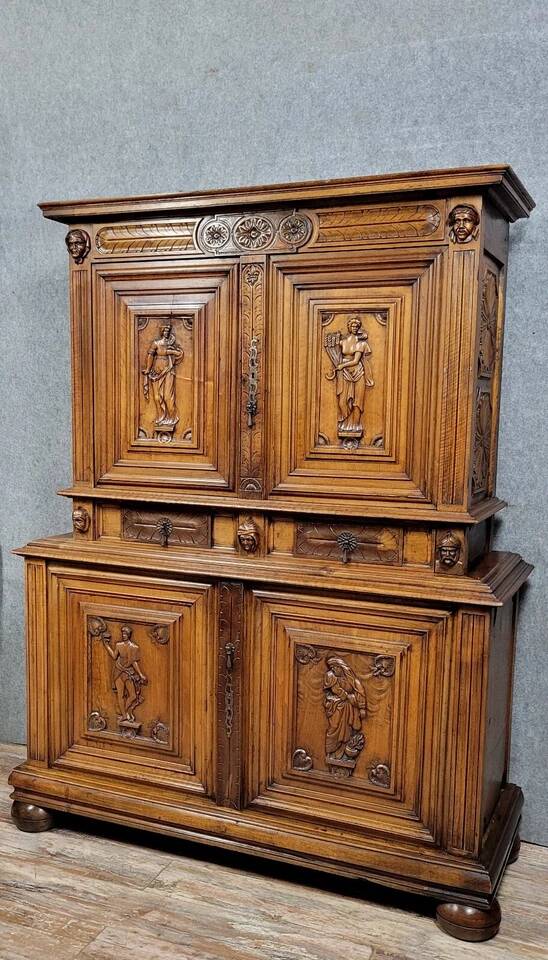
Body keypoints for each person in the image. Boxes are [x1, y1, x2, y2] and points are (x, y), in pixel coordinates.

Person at [142, 322, 184, 435]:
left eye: (168, 331)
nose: (166, 333)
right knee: (157, 396)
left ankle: (171, 418)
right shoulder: (156, 343)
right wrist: (148, 368)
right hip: (157, 370)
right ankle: (161, 417)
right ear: (161, 332)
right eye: (164, 331)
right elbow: (150, 355)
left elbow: (179, 354)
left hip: (168, 370)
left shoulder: (171, 344)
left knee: (168, 396)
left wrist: (172, 352)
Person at [101, 625, 147, 723]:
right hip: (118, 672)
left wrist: (140, 674)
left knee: (133, 696)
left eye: (126, 634)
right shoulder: (119, 645)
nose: (124, 635)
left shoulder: (134, 647)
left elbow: (134, 662)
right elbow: (114, 656)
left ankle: (124, 711)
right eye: (123, 633)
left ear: (129, 635)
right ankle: (124, 716)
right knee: (120, 695)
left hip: (128, 673)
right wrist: (107, 646)